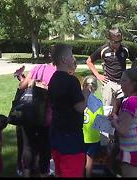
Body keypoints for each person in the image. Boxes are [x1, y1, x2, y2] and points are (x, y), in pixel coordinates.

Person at [48, 43, 90, 177]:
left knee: (60, 172)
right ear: (64, 60)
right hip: (71, 140)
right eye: (71, 56)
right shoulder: (71, 81)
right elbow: (80, 107)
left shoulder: (53, 79)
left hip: (56, 135)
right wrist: (86, 94)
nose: (73, 58)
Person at [109, 68, 137, 177]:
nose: (121, 83)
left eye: (124, 80)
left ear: (133, 84)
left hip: (132, 147)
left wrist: (113, 121)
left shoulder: (129, 103)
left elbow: (123, 131)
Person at [16, 60, 57, 177]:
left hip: (28, 114)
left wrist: (27, 80)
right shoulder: (57, 72)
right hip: (45, 117)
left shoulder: (37, 68)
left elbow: (22, 86)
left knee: (27, 146)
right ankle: (43, 173)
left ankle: (26, 172)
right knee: (44, 149)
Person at [86, 27, 137, 106]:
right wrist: (98, 75)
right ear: (109, 39)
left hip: (122, 84)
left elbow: (134, 61)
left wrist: (130, 74)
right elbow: (89, 61)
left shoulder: (125, 49)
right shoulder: (104, 49)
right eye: (115, 42)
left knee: (124, 109)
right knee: (107, 111)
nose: (118, 44)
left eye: (120, 41)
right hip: (109, 83)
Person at [82, 75, 104, 177]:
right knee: (89, 159)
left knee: (80, 158)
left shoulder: (79, 101)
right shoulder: (98, 102)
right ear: (95, 88)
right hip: (93, 136)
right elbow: (101, 124)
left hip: (81, 134)